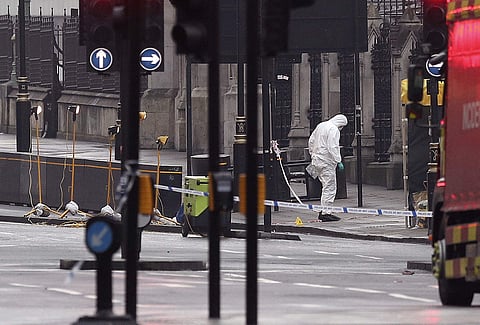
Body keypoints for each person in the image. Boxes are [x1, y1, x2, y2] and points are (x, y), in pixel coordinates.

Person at [307, 114, 348, 222]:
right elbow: (332, 146)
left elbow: (311, 140)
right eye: (342, 127)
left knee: (324, 186)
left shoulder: (321, 125)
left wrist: (313, 154)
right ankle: (326, 213)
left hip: (317, 160)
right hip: (326, 162)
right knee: (329, 187)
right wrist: (338, 160)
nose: (341, 129)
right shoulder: (334, 129)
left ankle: (324, 210)